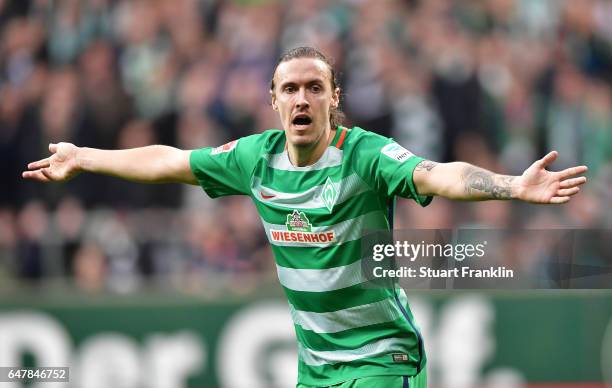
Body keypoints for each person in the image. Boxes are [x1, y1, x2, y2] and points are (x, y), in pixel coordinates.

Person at [23, 47, 587, 388]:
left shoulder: (364, 154)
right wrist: (85, 158)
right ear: (273, 100)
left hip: (381, 359)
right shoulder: (254, 159)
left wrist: (511, 185)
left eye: (314, 88)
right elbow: (168, 161)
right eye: (289, 88)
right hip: (315, 368)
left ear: (332, 98)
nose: (301, 98)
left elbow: (436, 174)